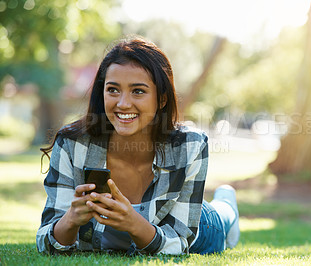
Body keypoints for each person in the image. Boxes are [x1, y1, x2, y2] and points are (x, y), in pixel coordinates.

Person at [36, 36, 239, 255]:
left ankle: (226, 202)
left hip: (200, 226)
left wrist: (133, 223)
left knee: (221, 215)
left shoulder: (190, 145)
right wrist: (70, 220)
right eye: (113, 89)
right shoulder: (72, 144)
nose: (123, 103)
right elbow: (45, 240)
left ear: (161, 99)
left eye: (138, 91)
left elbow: (179, 243)